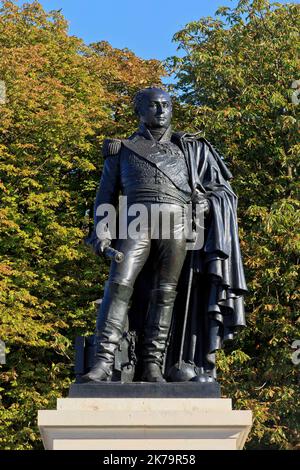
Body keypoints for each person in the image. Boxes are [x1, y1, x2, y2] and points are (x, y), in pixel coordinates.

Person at [82, 87, 247, 383]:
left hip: (178, 222)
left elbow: (222, 190)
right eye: (154, 105)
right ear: (139, 110)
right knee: (119, 284)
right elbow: (106, 195)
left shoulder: (190, 148)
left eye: (166, 105)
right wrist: (102, 232)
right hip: (137, 220)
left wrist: (207, 204)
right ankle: (103, 362)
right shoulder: (121, 150)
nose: (161, 111)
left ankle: (153, 365)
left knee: (166, 293)